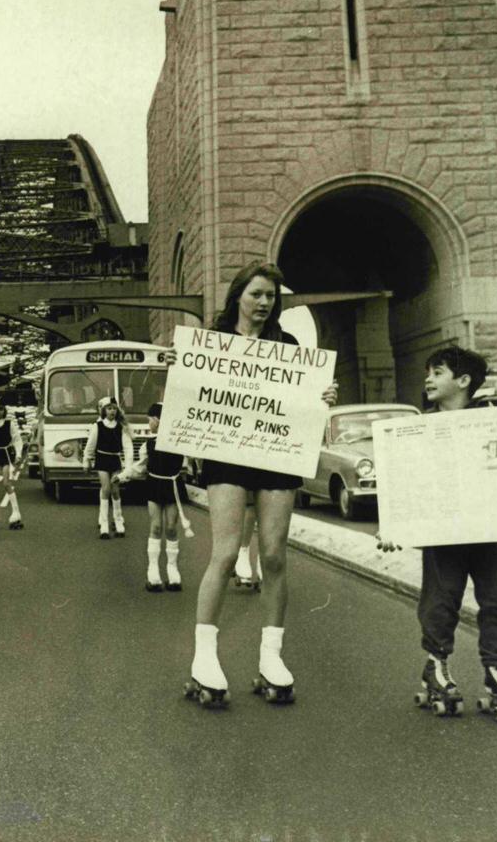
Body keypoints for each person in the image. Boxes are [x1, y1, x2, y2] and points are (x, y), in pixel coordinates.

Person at [375, 345, 497, 723]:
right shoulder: (417, 431)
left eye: (437, 372)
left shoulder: (496, 423)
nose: (428, 378)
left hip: (489, 533)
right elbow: (406, 483)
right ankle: (436, 664)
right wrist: (393, 523)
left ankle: (495, 669)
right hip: (444, 536)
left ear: (463, 381)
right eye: (428, 372)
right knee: (441, 600)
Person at [184, 262, 338, 708]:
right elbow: (194, 397)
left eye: (271, 296)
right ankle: (205, 658)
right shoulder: (214, 344)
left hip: (275, 454)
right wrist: (181, 371)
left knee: (272, 554)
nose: (264, 302)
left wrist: (323, 398)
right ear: (238, 297)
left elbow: (302, 404)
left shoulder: (287, 346)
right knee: (227, 552)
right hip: (227, 451)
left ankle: (272, 656)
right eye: (256, 294)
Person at [136, 403, 188, 593]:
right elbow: (140, 466)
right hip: (154, 485)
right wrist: (123, 475)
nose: (148, 423)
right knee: (156, 526)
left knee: (172, 527)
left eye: (150, 419)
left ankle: (172, 569)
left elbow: (188, 462)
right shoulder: (148, 444)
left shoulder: (178, 442)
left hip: (172, 485)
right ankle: (153, 570)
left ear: (158, 421)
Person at [83, 396, 134, 539]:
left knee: (115, 490)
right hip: (102, 459)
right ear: (104, 411)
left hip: (115, 459)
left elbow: (128, 448)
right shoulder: (97, 427)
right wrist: (86, 461)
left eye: (114, 408)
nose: (112, 411)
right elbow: (90, 446)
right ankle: (104, 525)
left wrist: (128, 468)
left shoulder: (121, 428)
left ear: (117, 411)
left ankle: (118, 521)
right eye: (109, 408)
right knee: (106, 488)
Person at [0, 399, 25, 529]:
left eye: (0, 409)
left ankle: (16, 513)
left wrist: (18, 454)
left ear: (4, 410)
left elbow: (17, 439)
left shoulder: (9, 424)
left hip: (5, 454)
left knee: (6, 483)